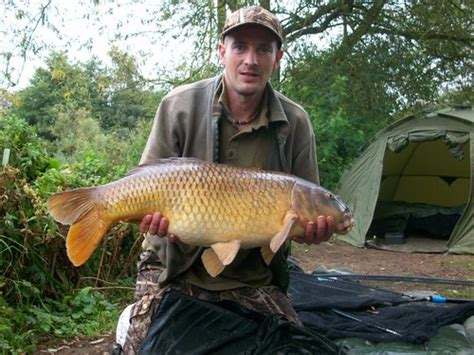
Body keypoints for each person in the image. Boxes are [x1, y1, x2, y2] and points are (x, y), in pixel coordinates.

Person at [122, 5, 347, 353]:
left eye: (263, 49)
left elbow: (298, 227)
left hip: (251, 273)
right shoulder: (178, 106)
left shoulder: (296, 122)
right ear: (222, 51)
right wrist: (151, 220)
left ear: (278, 58)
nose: (251, 60)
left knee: (290, 347)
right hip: (172, 265)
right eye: (240, 46)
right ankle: (132, 321)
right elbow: (149, 179)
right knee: (149, 347)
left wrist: (314, 231)